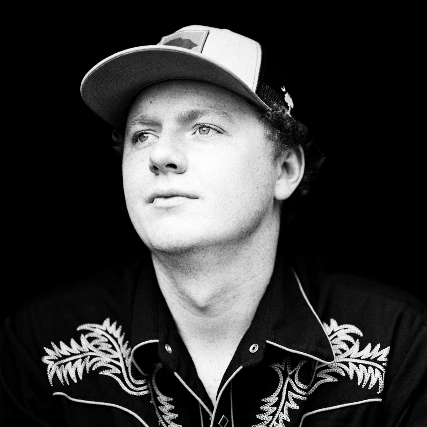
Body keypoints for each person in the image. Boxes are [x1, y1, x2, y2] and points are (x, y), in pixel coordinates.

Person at [0, 24, 426, 427]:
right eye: (142, 135)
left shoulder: (397, 341)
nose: (160, 155)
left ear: (284, 169)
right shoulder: (43, 341)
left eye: (204, 128)